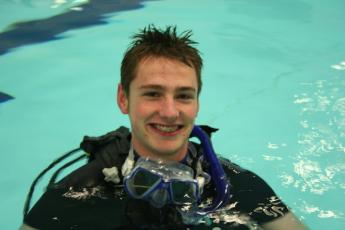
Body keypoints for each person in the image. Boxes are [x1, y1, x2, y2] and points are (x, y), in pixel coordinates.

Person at [21, 25, 307, 230]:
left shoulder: (231, 185)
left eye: (183, 95)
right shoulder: (80, 191)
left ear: (197, 102)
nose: (170, 112)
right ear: (124, 99)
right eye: (152, 93)